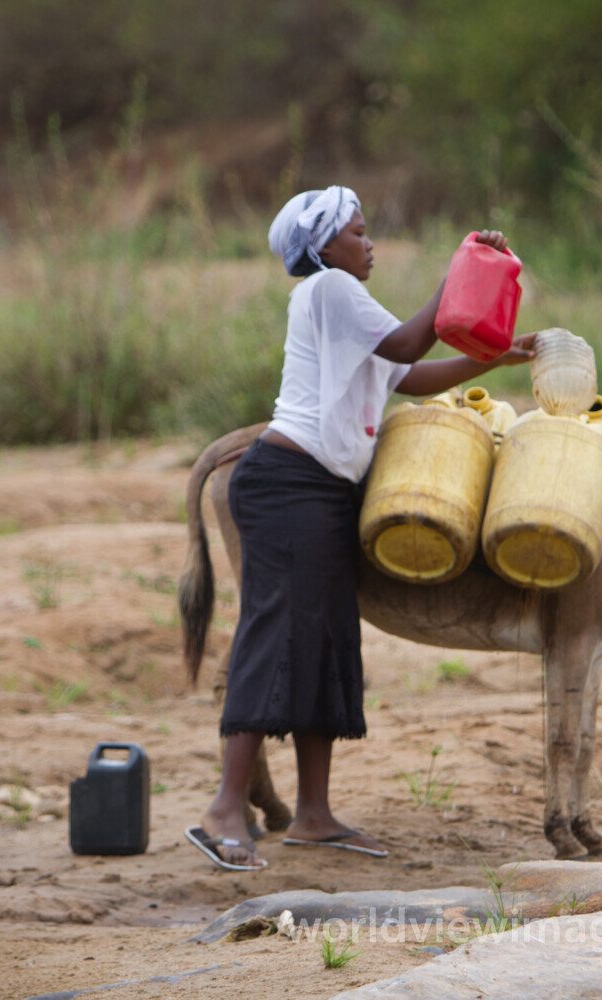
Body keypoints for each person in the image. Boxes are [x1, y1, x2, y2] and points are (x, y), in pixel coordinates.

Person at [185, 185, 534, 869]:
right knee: (276, 636)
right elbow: (410, 339)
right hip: (287, 484)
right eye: (358, 232)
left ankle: (313, 815)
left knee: (326, 642)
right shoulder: (329, 291)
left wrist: (497, 357)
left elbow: (412, 374)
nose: (369, 244)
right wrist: (460, 272)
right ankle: (225, 808)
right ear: (323, 248)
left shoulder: (347, 306)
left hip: (323, 489)